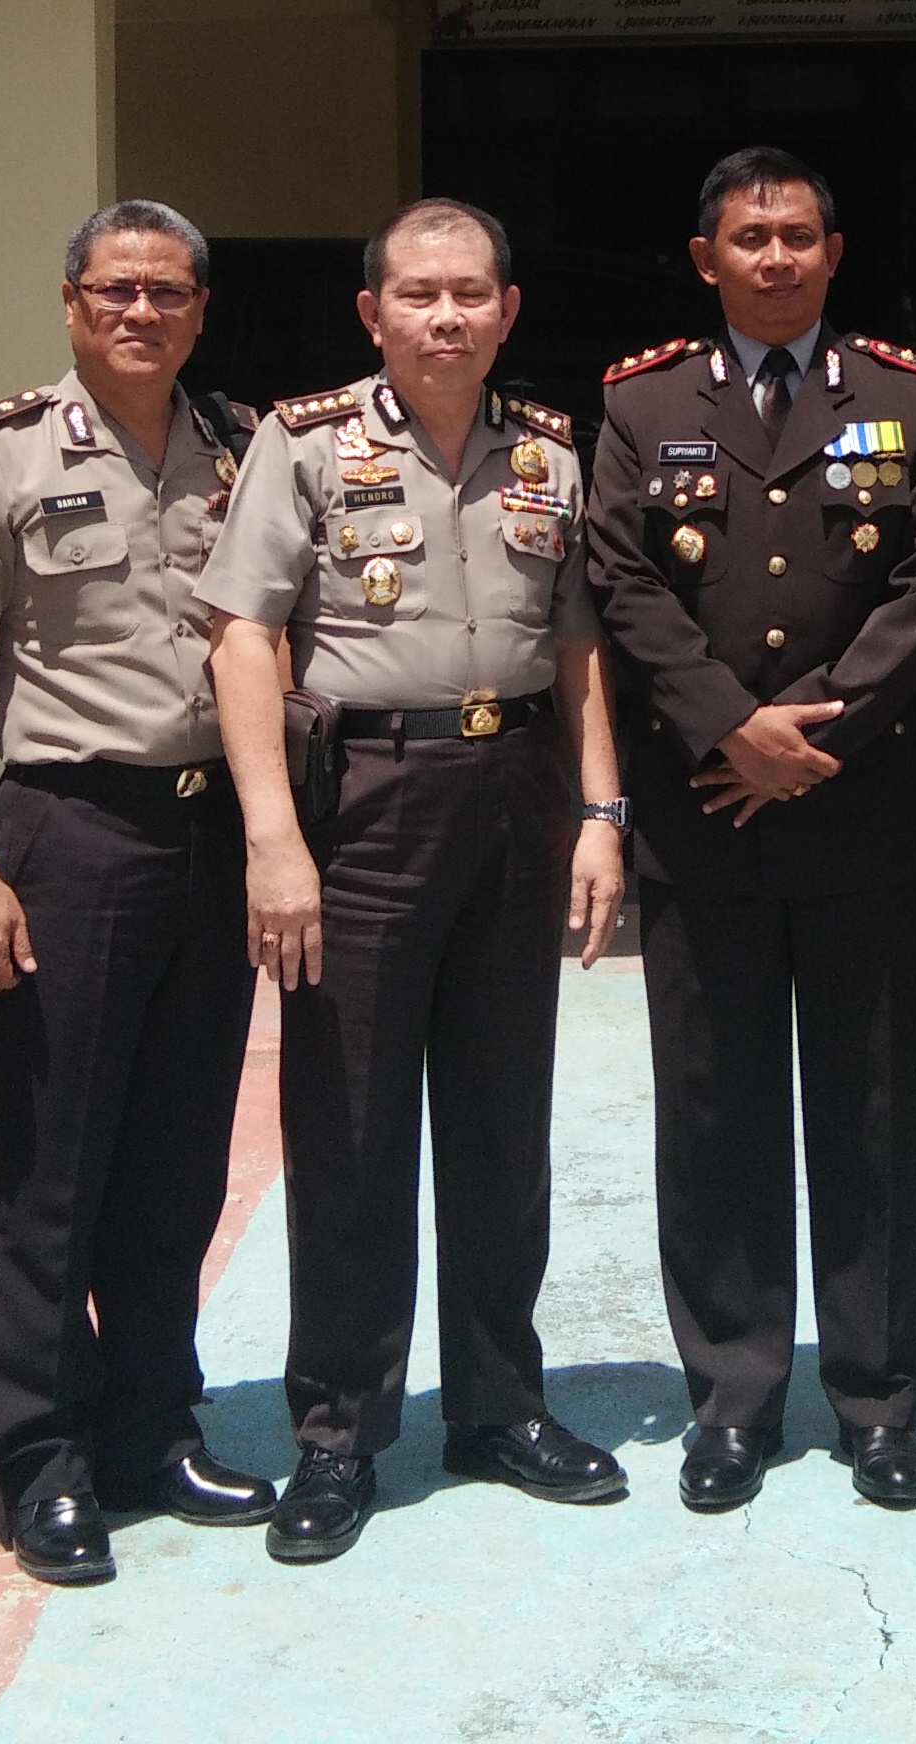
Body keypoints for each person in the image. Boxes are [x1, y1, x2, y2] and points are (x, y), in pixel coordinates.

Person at [197, 199, 633, 1565]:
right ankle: (338, 1430)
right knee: (353, 1126)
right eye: (418, 293)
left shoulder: (552, 453)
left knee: (506, 1124)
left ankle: (500, 1407)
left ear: (508, 310)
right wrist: (275, 835)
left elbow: (580, 649)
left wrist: (601, 811)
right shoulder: (305, 443)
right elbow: (240, 637)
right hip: (363, 801)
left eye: (470, 293)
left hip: (512, 796)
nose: (446, 316)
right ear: (372, 312)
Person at [584, 146, 916, 1517]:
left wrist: (813, 736)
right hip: (704, 821)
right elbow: (620, 581)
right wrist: (725, 729)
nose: (775, 258)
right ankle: (734, 1399)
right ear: (706, 258)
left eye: (799, 235)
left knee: (874, 1119)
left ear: (834, 248)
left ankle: (878, 1399)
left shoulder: (915, 400)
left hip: (861, 819)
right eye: (749, 238)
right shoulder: (639, 405)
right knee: (717, 1119)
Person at [0, 199, 273, 1590]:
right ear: (69, 304)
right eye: (115, 290)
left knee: (177, 1163)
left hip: (209, 837)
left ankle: (151, 1428)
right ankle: (44, 1457)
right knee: (52, 1165)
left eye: (168, 291)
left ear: (198, 307)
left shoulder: (240, 445)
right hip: (68, 831)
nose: (141, 313)